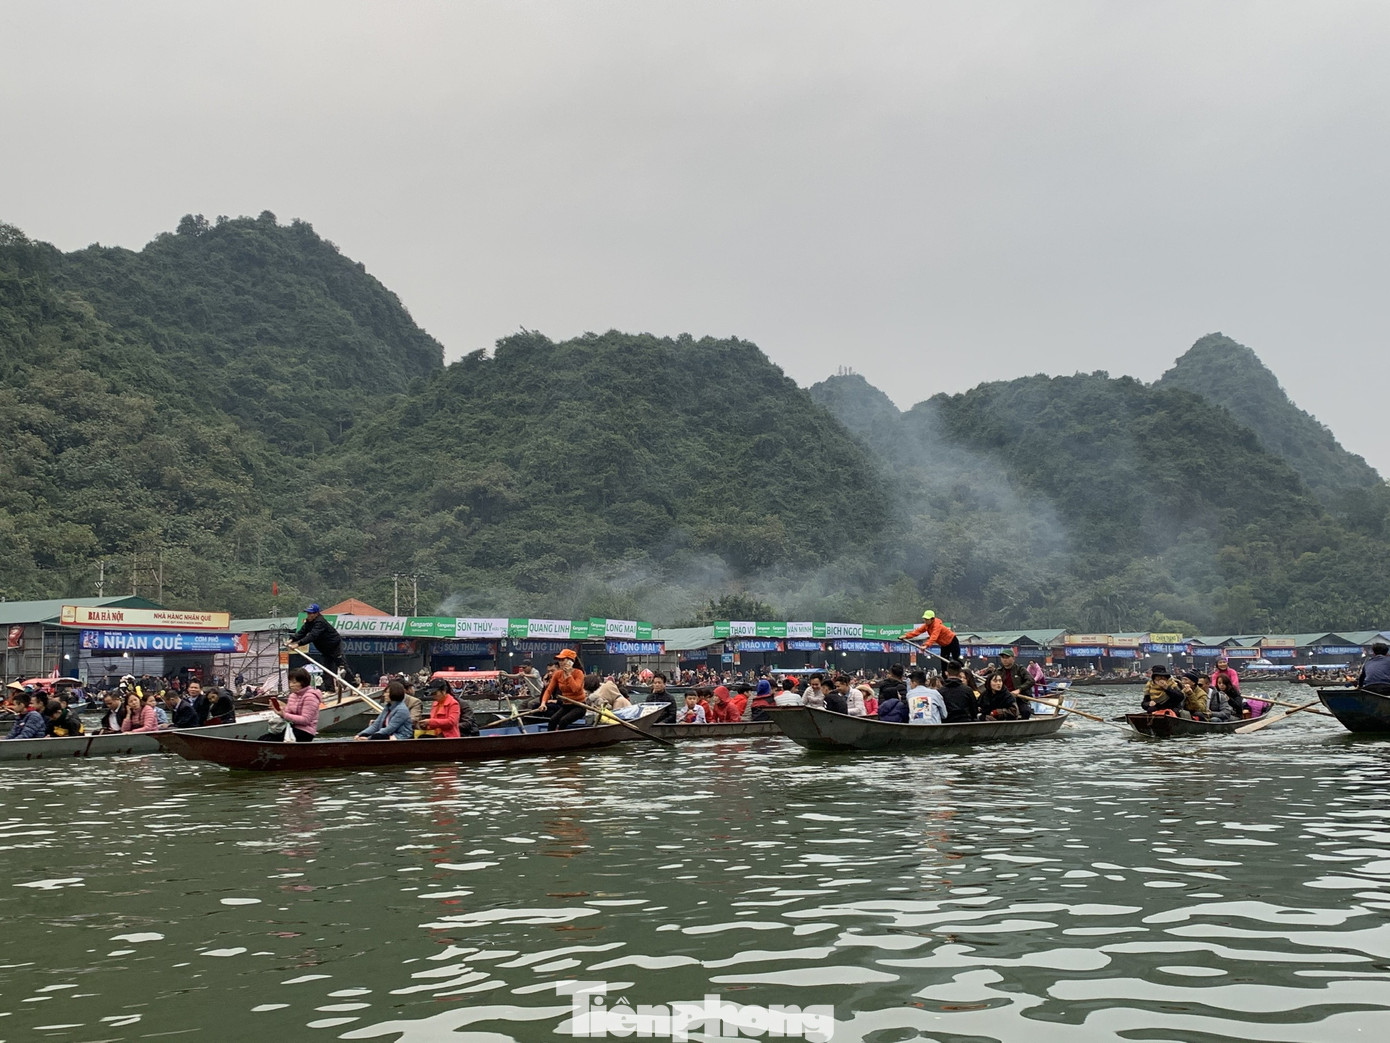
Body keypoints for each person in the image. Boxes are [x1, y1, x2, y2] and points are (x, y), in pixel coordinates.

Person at [289, 604, 347, 696]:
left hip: (334, 645)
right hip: (325, 649)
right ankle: (330, 690)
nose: (308, 615)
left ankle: (354, 684)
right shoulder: (309, 622)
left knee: (342, 666)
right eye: (307, 613)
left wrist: (298, 644)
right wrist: (292, 639)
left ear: (316, 614)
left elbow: (312, 636)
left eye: (310, 613)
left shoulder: (320, 622)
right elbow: (302, 632)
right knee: (326, 669)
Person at [264, 667, 321, 742]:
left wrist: (284, 715)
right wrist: (279, 709)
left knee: (271, 741)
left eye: (294, 683)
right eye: (290, 682)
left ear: (303, 683)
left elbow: (305, 720)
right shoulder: (293, 695)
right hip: (291, 727)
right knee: (264, 738)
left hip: (305, 732)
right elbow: (287, 714)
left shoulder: (310, 697)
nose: (291, 685)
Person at [539, 649, 587, 730]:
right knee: (552, 720)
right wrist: (543, 703)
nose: (560, 662)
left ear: (571, 661)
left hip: (579, 706)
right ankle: (548, 739)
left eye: (562, 660)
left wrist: (568, 675)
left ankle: (560, 740)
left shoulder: (579, 673)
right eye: (559, 660)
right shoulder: (558, 674)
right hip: (566, 705)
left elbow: (575, 689)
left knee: (563, 721)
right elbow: (549, 690)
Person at [984, 650, 1034, 719]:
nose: (1004, 660)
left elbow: (1031, 680)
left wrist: (1019, 689)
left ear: (1013, 658)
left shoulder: (1020, 669)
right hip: (1003, 698)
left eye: (1007, 657)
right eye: (1003, 657)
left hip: (1019, 698)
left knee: (1026, 711)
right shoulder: (998, 671)